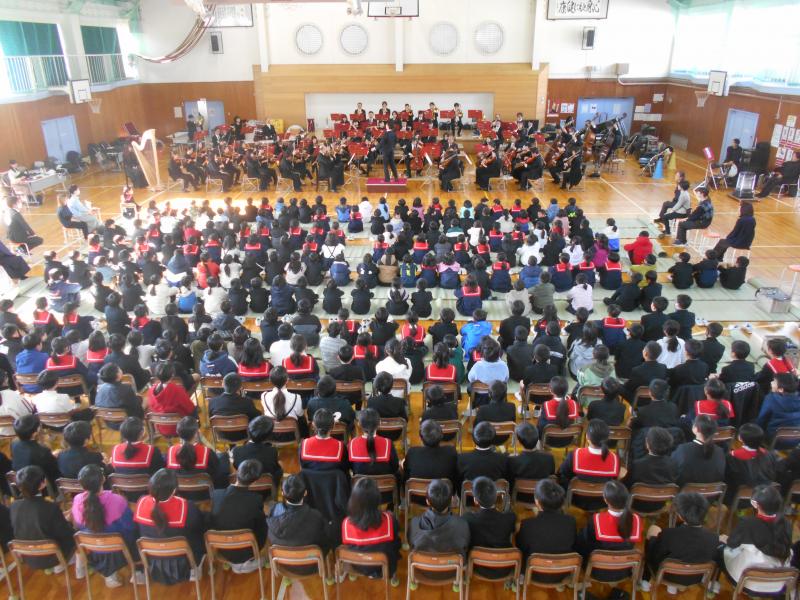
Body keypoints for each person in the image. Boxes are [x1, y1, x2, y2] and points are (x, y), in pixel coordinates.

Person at [133, 469, 207, 584]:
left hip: (152, 560)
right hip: (184, 562)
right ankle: (194, 571)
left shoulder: (141, 503)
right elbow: (200, 525)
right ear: (174, 490)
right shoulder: (187, 507)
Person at [71, 464, 139, 588]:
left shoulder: (77, 500)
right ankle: (138, 571)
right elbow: (130, 527)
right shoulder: (117, 500)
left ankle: (110, 573)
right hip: (119, 550)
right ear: (103, 479)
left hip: (93, 549)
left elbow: (78, 525)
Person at [721, 484, 793, 594]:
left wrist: (724, 538)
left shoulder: (747, 523)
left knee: (719, 548)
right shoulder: (787, 524)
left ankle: (712, 586)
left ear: (755, 504)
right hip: (778, 583)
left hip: (747, 582)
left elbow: (732, 543)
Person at [644, 492, 720, 588]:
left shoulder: (668, 534)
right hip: (696, 578)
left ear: (680, 515)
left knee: (653, 530)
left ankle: (645, 578)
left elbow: (656, 556)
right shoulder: (714, 538)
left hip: (666, 575)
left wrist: (653, 540)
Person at [10, 465, 76, 570]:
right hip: (54, 556)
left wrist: (61, 518)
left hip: (28, 556)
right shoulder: (50, 508)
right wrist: (69, 520)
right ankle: (67, 564)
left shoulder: (14, 506)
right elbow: (66, 534)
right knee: (77, 530)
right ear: (43, 483)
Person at [341, 477, 401, 584]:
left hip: (358, 565)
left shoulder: (346, 524)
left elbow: (347, 545)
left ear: (353, 499)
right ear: (377, 499)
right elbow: (396, 542)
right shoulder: (389, 520)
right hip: (384, 566)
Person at [210, 459, 267, 573]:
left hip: (222, 548)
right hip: (249, 551)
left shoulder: (216, 495)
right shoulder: (256, 500)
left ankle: (232, 563)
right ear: (255, 481)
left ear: (236, 473)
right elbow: (261, 528)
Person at [267, 475, 331, 555]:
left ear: (283, 493)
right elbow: (325, 540)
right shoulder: (316, 516)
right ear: (305, 493)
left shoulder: (273, 510)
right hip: (310, 559)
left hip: (280, 558)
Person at [515, 479, 576, 563]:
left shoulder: (527, 525)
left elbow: (520, 547)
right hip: (563, 567)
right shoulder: (571, 521)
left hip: (534, 568)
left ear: (537, 502)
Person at [408, 479, 471, 558]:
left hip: (421, 565)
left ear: (427, 501)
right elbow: (466, 547)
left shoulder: (414, 523)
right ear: (452, 500)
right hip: (451, 565)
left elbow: (411, 544)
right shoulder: (463, 525)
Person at [671, 415, 725, 485]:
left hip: (685, 491)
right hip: (714, 491)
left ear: (696, 429)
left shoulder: (682, 449)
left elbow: (673, 470)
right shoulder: (720, 452)